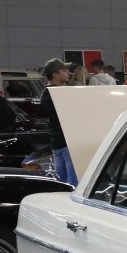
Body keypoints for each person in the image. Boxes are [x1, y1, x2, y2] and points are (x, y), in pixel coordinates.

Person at [39, 58, 78, 186]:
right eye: (64, 71)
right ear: (55, 74)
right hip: (68, 143)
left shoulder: (45, 93)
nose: (68, 73)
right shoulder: (61, 93)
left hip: (56, 143)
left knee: (62, 182)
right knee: (73, 183)